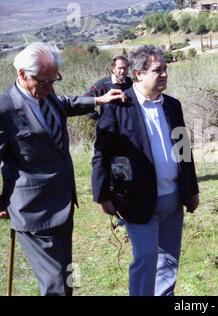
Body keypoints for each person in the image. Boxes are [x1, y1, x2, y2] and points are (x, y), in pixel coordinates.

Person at [0, 42, 125, 296]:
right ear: (22, 74)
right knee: (56, 282)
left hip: (64, 204)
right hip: (33, 210)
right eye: (43, 82)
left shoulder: (48, 95)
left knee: (67, 275)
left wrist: (98, 99)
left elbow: (64, 103)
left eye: (53, 80)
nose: (49, 88)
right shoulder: (4, 109)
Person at [91, 45, 199, 296]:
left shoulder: (172, 105)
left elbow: (184, 149)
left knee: (169, 260)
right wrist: (102, 194)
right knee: (146, 258)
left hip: (172, 197)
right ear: (138, 74)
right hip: (137, 200)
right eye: (157, 70)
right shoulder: (119, 106)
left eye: (165, 69)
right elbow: (102, 152)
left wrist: (191, 189)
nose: (164, 75)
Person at [84, 55, 133, 119]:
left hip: (130, 126)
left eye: (125, 68)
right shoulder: (102, 84)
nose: (123, 71)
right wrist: (99, 119)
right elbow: (85, 101)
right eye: (120, 68)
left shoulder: (131, 82)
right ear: (113, 69)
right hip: (110, 128)